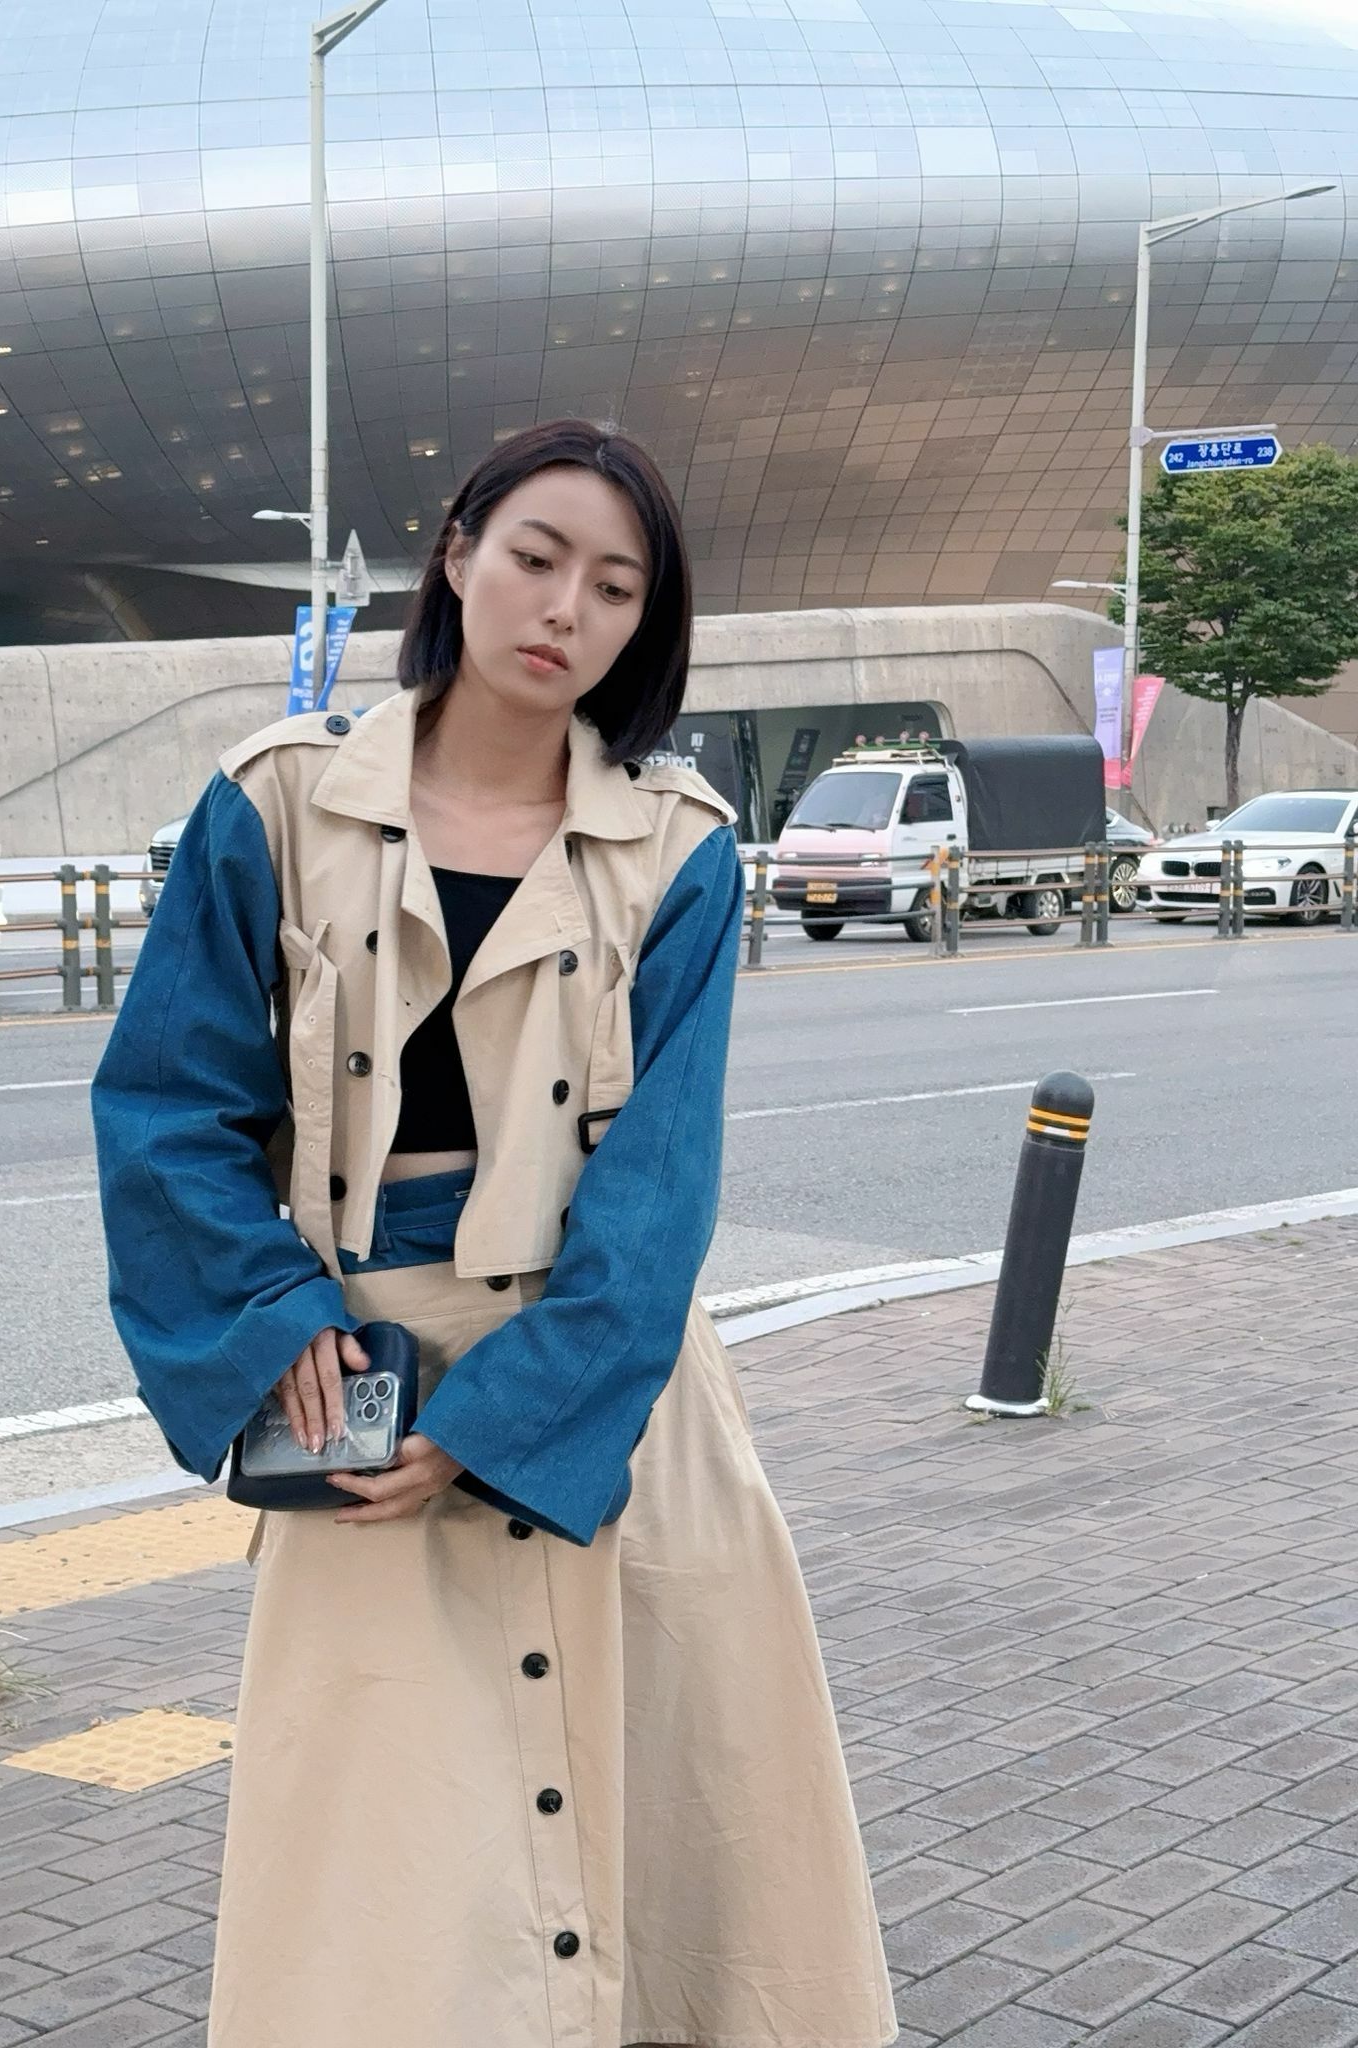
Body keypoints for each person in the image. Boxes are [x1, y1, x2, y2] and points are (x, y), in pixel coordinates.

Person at [90, 418, 895, 2048]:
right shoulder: (278, 801)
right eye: (536, 557)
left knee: (678, 1844)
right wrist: (278, 1321)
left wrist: (499, 1423)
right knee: (385, 1885)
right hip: (353, 1385)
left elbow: (660, 1189)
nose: (565, 609)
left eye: (616, 585)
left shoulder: (678, 849)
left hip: (618, 1398)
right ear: (457, 553)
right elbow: (167, 1106)